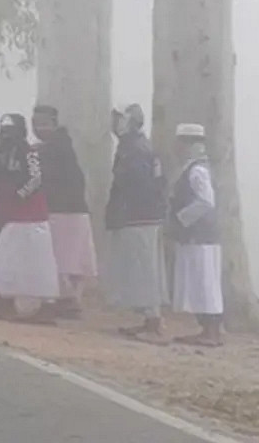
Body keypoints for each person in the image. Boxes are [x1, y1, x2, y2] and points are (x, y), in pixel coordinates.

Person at [0, 113, 60, 324]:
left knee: (37, 261)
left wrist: (20, 195)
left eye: (11, 130)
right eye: (4, 130)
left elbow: (36, 178)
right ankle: (6, 300)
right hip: (11, 214)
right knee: (7, 258)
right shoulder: (2, 153)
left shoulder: (29, 152)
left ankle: (46, 305)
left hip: (31, 215)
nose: (7, 135)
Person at [104, 103, 169, 342]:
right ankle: (148, 319)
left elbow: (138, 184)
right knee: (141, 269)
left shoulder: (135, 149)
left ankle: (154, 322)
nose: (113, 124)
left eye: (118, 119)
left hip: (139, 216)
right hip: (138, 215)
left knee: (145, 270)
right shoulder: (132, 146)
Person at [33, 104, 98, 319]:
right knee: (75, 259)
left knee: (59, 258)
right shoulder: (61, 145)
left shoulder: (50, 149)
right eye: (35, 124)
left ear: (54, 123)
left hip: (61, 210)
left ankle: (67, 300)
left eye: (43, 124)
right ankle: (72, 300)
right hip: (77, 209)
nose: (38, 128)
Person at [168, 123, 224, 347]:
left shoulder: (197, 170)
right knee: (200, 282)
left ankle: (211, 331)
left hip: (200, 236)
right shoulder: (194, 168)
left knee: (205, 282)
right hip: (196, 236)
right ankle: (207, 329)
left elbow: (205, 201)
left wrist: (182, 219)